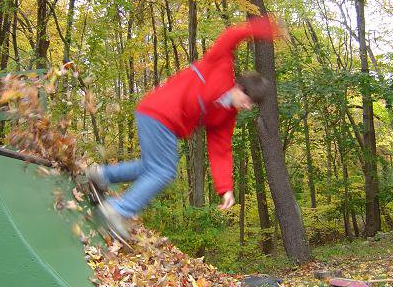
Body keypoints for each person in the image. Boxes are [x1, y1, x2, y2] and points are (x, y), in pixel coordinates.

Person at [87, 15, 278, 239]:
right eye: (247, 100)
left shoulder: (226, 116)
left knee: (152, 167)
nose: (246, 107)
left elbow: (221, 150)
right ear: (240, 87)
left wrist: (225, 187)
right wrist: (265, 29)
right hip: (159, 111)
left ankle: (101, 175)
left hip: (161, 120)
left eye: (251, 105)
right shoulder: (220, 66)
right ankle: (117, 210)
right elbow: (231, 36)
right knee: (164, 170)